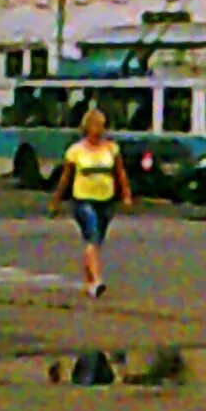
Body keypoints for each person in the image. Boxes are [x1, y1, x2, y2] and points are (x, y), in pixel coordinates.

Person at [47, 106, 133, 298]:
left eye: (102, 126)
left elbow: (120, 173)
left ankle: (89, 281)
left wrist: (126, 194)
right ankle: (96, 281)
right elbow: (65, 178)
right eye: (96, 126)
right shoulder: (76, 151)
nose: (99, 130)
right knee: (91, 235)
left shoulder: (111, 148)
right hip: (83, 199)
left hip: (106, 200)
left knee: (95, 241)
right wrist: (56, 200)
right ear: (87, 127)